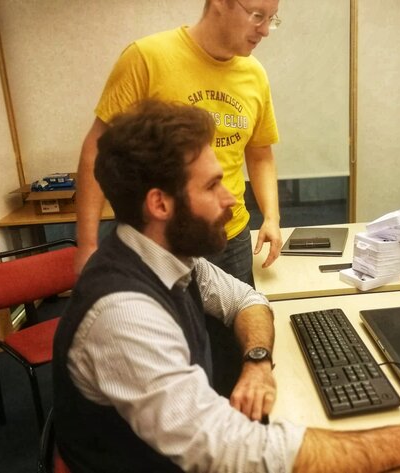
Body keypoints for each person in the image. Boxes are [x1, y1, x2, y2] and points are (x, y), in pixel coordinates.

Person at [53, 100, 400, 473]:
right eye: (213, 185)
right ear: (160, 203)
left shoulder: (169, 257)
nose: (232, 198)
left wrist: (256, 361)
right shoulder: (125, 314)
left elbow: (246, 299)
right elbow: (233, 452)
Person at [74, 0, 284, 395]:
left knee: (227, 351)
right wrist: (86, 244)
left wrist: (270, 217)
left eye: (272, 19)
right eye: (257, 15)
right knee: (168, 351)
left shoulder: (254, 74)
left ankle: (228, 426)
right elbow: (97, 148)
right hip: (163, 238)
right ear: (220, 3)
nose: (265, 29)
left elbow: (260, 153)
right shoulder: (148, 58)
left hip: (228, 236)